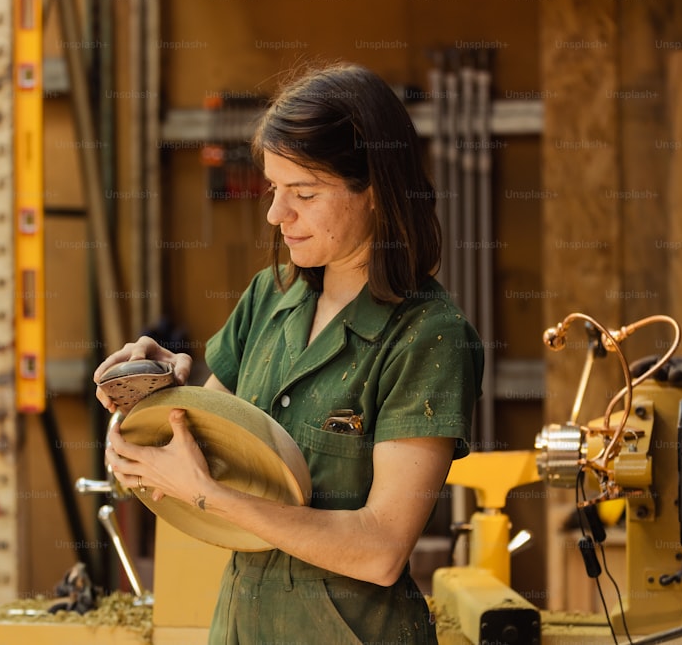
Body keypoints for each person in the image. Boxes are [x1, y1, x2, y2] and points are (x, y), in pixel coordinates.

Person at [96, 62, 484, 644]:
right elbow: (195, 453)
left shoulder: (428, 335)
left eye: (304, 193)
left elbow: (380, 549)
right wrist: (148, 402)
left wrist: (210, 495)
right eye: (275, 189)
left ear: (374, 191)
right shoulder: (268, 297)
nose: (278, 214)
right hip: (242, 627)